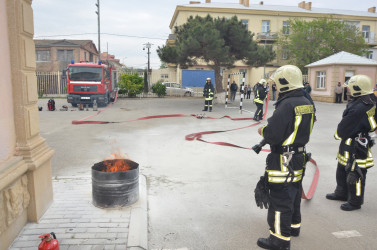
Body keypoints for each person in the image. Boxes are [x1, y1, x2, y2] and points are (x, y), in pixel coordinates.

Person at [255, 65, 315, 250]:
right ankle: (293, 227)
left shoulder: (287, 104)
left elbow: (273, 133)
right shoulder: (306, 101)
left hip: (283, 160)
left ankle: (279, 241)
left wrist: (262, 130)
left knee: (280, 198)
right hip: (298, 156)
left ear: (284, 82)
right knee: (294, 193)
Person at [326, 75, 377, 211]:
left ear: (357, 89)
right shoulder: (370, 100)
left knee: (356, 175)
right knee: (342, 170)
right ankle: (341, 193)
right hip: (354, 143)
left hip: (355, 146)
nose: (347, 90)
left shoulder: (359, 108)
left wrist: (337, 135)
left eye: (349, 88)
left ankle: (355, 202)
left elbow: (342, 130)